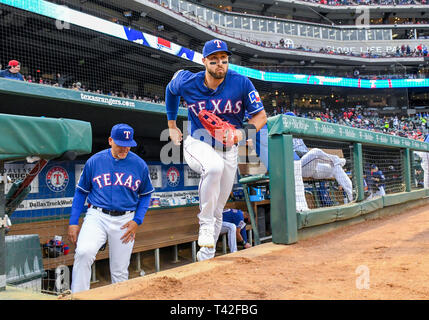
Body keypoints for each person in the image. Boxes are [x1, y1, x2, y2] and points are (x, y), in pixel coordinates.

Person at [165, 39, 267, 261]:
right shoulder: (187, 81)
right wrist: (172, 126)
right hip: (197, 142)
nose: (220, 64)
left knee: (219, 208)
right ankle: (204, 223)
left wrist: (243, 134)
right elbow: (170, 91)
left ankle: (206, 255)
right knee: (213, 167)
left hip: (228, 148)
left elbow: (261, 116)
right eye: (214, 61)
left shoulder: (241, 83)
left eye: (224, 60)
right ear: (204, 62)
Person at [68, 123, 154, 293]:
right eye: (120, 145)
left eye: (128, 146)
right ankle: (79, 296)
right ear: (110, 141)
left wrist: (137, 220)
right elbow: (81, 193)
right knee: (83, 253)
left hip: (125, 219)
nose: (124, 150)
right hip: (97, 216)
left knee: (120, 270)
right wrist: (73, 222)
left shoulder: (139, 165)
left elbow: (146, 195)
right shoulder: (95, 161)